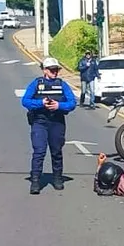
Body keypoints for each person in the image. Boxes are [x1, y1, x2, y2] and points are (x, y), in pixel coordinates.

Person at [21, 57, 77, 194]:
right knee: (39, 151)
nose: (55, 72)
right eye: (52, 70)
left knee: (56, 151)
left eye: (56, 70)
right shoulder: (36, 83)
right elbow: (25, 101)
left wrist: (59, 105)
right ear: (45, 70)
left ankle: (57, 178)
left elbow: (72, 102)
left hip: (57, 122)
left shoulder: (62, 84)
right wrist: (41, 103)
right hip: (40, 121)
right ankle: (35, 181)